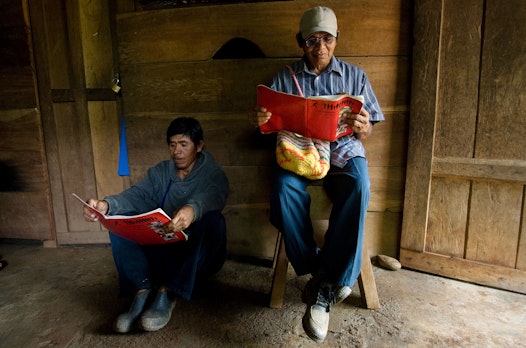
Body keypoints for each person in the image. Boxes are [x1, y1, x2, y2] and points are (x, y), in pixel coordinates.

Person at [248, 6, 384, 343]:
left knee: (359, 183)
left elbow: (369, 128)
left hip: (341, 154)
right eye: (312, 40)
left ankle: (327, 280)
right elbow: (268, 128)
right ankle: (317, 269)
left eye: (327, 39)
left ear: (337, 39)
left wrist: (363, 129)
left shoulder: (356, 76)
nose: (320, 47)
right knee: (282, 189)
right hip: (299, 156)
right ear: (300, 42)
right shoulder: (284, 78)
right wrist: (262, 121)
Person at [82, 117, 229, 333]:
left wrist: (192, 210)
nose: (176, 151)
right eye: (172, 144)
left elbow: (215, 195)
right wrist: (106, 205)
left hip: (195, 258)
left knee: (213, 221)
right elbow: (137, 194)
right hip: (163, 249)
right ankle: (141, 289)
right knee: (120, 220)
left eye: (184, 144)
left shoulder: (212, 173)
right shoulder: (161, 172)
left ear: (199, 146)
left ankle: (167, 291)